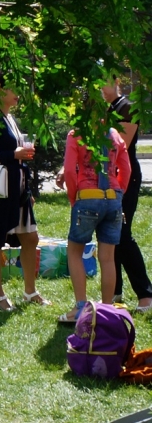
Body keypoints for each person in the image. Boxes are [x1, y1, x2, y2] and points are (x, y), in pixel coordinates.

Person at [0, 74, 49, 311]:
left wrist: (27, 187)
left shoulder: (9, 118)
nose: (18, 93)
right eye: (12, 88)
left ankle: (30, 292)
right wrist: (12, 155)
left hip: (18, 191)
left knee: (31, 238)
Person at [57, 120, 131, 324]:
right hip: (113, 197)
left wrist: (74, 198)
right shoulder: (115, 134)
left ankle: (80, 308)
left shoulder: (76, 134)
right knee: (107, 258)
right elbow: (126, 169)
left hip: (87, 196)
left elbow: (69, 171)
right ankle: (107, 310)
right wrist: (118, 194)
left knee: (75, 252)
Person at [103, 78, 152, 313]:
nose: (100, 89)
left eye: (104, 83)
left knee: (122, 233)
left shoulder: (126, 107)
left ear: (116, 82)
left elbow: (118, 146)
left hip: (126, 177)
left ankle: (146, 295)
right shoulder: (108, 109)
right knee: (110, 233)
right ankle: (115, 292)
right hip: (109, 178)